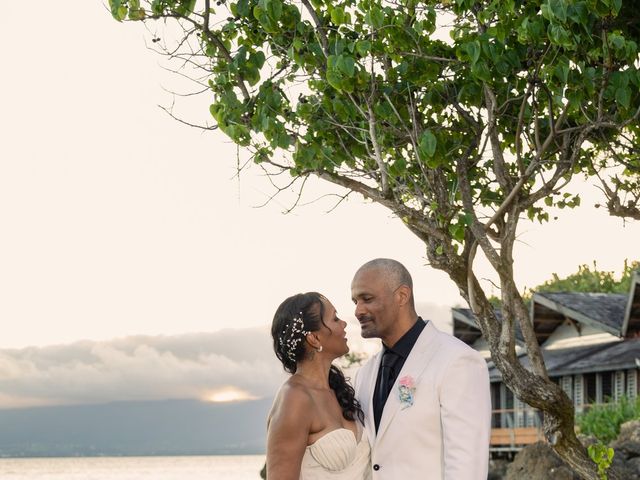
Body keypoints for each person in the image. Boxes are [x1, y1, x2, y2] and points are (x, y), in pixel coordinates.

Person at [351, 258, 491, 479]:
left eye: (367, 299)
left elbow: (467, 466)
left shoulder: (457, 361)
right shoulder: (364, 374)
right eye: (355, 301)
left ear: (402, 296)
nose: (358, 311)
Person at [267, 292, 372, 480]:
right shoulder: (295, 398)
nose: (344, 324)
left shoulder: (340, 391)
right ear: (314, 339)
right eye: (335, 318)